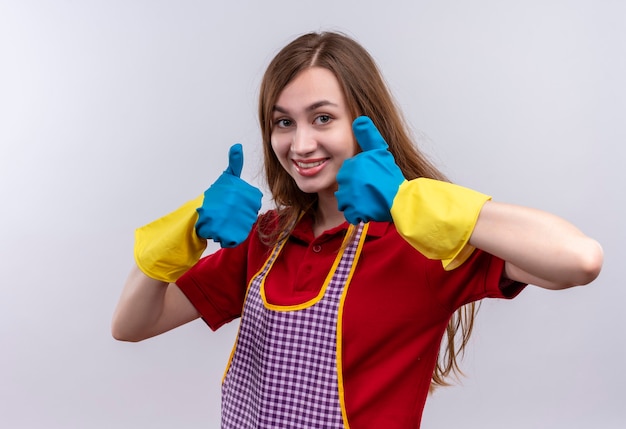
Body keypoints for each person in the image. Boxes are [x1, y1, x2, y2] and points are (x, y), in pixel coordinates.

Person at [112, 31, 603, 428]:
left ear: (363, 120)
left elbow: (578, 259)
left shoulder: (421, 244)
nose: (301, 143)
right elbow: (132, 326)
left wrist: (409, 199)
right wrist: (183, 230)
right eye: (283, 122)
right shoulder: (268, 239)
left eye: (322, 118)